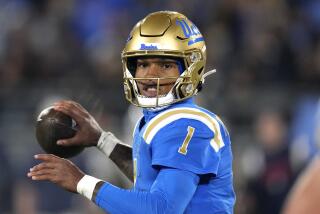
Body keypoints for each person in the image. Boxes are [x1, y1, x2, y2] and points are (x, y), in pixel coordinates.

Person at [27, 11, 236, 213]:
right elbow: (150, 180)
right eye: (143, 64)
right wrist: (102, 140)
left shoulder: (188, 125)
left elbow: (160, 208)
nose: (150, 74)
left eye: (165, 65)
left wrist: (81, 182)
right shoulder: (158, 118)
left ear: (192, 69)